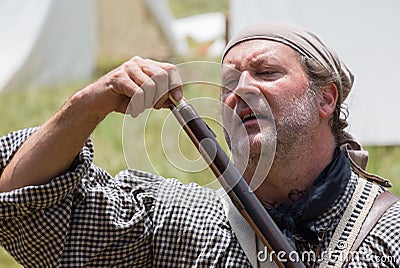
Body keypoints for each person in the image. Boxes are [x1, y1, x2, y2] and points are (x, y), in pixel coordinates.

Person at [0, 23, 399, 267]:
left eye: (266, 72)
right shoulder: (186, 222)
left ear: (325, 99)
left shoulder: (389, 233)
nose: (240, 91)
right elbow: (24, 206)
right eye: (227, 83)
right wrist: (89, 103)